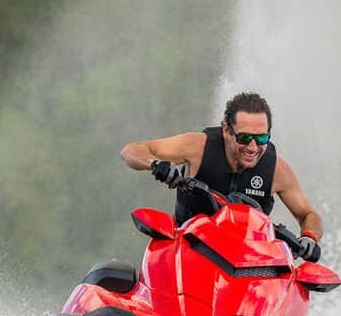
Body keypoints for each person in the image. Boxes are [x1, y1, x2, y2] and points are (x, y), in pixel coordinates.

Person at [119, 91, 323, 262]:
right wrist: (155, 164)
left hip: (247, 268)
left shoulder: (277, 169)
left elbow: (308, 215)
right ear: (226, 130)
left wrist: (309, 237)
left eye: (262, 138)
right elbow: (132, 150)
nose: (253, 147)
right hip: (187, 255)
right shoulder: (197, 147)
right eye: (244, 138)